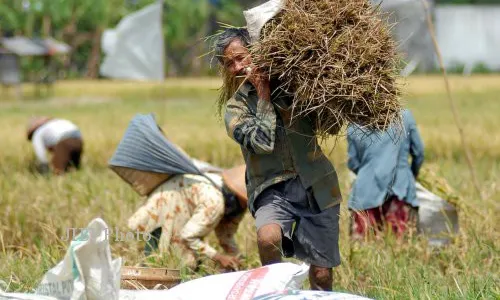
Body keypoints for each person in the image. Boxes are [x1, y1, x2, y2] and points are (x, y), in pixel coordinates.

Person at [214, 28, 343, 291]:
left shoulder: (294, 87)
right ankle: (274, 291)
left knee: (320, 275)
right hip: (271, 189)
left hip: (316, 183)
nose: (238, 67)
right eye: (230, 63)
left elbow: (330, 126)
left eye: (242, 57)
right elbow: (262, 142)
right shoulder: (235, 109)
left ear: (256, 53)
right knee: (267, 236)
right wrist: (262, 95)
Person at [127, 163, 247, 272]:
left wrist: (237, 258)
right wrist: (218, 257)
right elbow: (187, 236)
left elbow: (226, 236)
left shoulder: (236, 206)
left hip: (180, 206)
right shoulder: (215, 202)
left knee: (185, 260)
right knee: (174, 262)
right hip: (168, 205)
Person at [347, 109, 425, 240]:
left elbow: (353, 163)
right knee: (401, 248)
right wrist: (411, 175)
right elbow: (419, 153)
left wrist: (369, 173)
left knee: (364, 250)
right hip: (400, 189)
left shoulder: (355, 121)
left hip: (365, 193)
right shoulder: (404, 117)